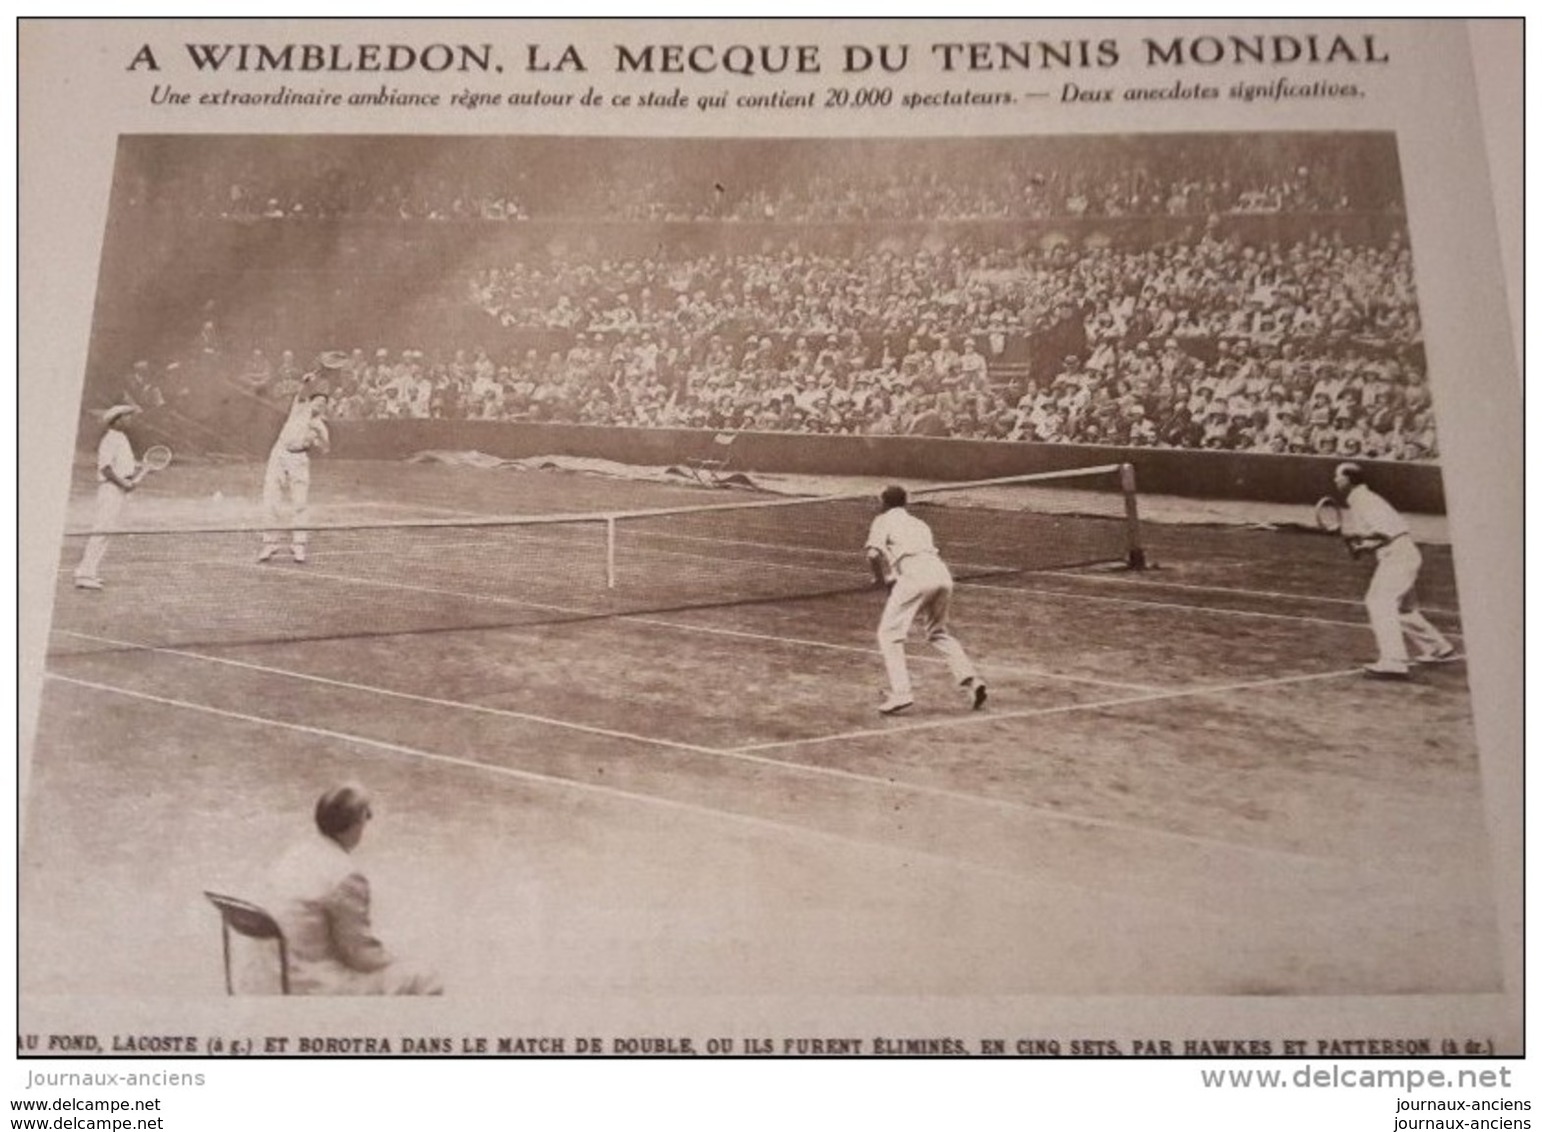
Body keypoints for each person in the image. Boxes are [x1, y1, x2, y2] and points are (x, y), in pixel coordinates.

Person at [266, 783, 443, 996]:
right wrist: (399, 960)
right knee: (424, 977)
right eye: (366, 816)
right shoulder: (346, 875)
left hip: (272, 974)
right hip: (312, 985)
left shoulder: (295, 854)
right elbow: (361, 956)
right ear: (356, 823)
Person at [864, 484, 987, 714]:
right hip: (941, 576)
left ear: (884, 503)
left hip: (916, 579)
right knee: (938, 633)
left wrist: (879, 580)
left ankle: (901, 694)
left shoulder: (882, 521)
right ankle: (973, 681)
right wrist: (893, 579)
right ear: (905, 502)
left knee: (889, 635)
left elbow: (873, 554)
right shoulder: (920, 524)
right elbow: (912, 556)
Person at [1334, 462, 1458, 679]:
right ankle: (1438, 647)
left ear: (1347, 479)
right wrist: (1363, 546)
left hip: (1397, 557)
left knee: (1380, 602)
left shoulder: (1363, 500)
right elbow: (1386, 534)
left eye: (1337, 476)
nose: (1335, 480)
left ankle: (1394, 661)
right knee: (1404, 610)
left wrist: (1360, 540)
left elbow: (1385, 534)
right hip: (1404, 553)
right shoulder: (1363, 499)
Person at [259, 372, 330, 564]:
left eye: (323, 404)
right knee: (271, 499)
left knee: (299, 503)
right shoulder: (300, 408)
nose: (319, 405)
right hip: (279, 454)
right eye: (317, 401)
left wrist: (319, 437)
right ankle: (270, 543)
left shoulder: (321, 426)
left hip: (299, 460)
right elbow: (303, 393)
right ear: (311, 402)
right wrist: (307, 382)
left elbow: (325, 449)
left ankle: (298, 545)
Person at [73, 403, 142, 590]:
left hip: (117, 489)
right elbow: (105, 468)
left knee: (106, 531)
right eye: (127, 416)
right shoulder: (111, 439)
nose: (130, 420)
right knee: (102, 530)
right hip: (111, 489)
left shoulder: (121, 438)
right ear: (117, 420)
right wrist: (124, 483)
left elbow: (123, 464)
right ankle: (85, 574)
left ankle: (88, 571)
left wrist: (137, 471)